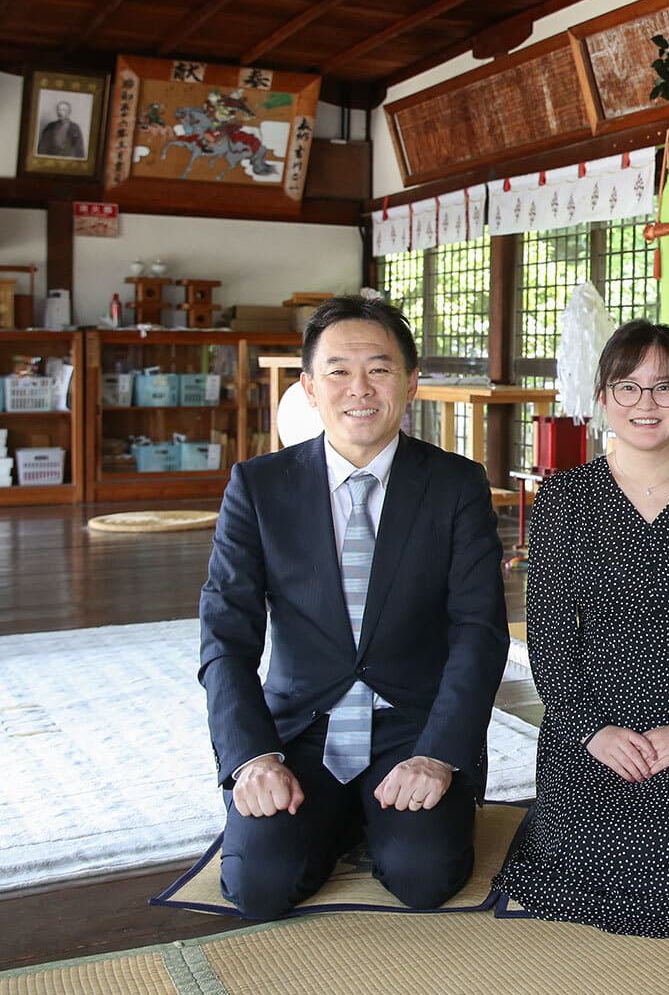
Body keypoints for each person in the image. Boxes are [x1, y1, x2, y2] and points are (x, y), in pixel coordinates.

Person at [197, 295, 509, 921]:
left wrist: (440, 753)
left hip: (412, 728)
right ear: (309, 388)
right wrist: (251, 759)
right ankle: (339, 817)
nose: (359, 388)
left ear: (411, 381)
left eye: (380, 368)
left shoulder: (456, 484)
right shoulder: (258, 487)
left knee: (425, 878)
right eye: (338, 370)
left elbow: (479, 631)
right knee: (259, 886)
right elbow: (225, 640)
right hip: (301, 732)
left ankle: (369, 816)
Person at [499, 321, 669, 937]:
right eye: (627, 388)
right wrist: (592, 730)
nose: (646, 404)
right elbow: (548, 632)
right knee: (590, 862)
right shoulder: (565, 498)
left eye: (664, 387)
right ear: (602, 397)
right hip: (594, 711)